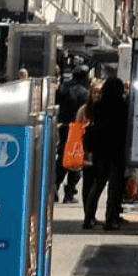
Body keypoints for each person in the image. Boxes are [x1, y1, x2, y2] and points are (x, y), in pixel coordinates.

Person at [83, 76, 129, 230]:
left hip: (100, 149)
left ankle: (88, 218)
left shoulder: (98, 106)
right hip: (117, 148)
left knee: (98, 183)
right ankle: (111, 219)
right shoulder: (123, 105)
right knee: (115, 186)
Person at [54, 65, 90, 203]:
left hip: (63, 126)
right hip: (79, 128)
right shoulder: (85, 91)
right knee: (76, 159)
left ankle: (54, 186)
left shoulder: (63, 88)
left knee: (63, 157)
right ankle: (69, 193)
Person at [76, 79, 104, 228]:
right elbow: (76, 128)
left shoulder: (104, 109)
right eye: (95, 92)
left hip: (99, 150)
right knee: (88, 182)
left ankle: (91, 214)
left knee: (97, 182)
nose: (97, 95)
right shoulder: (84, 109)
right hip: (87, 150)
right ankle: (88, 216)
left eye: (99, 92)